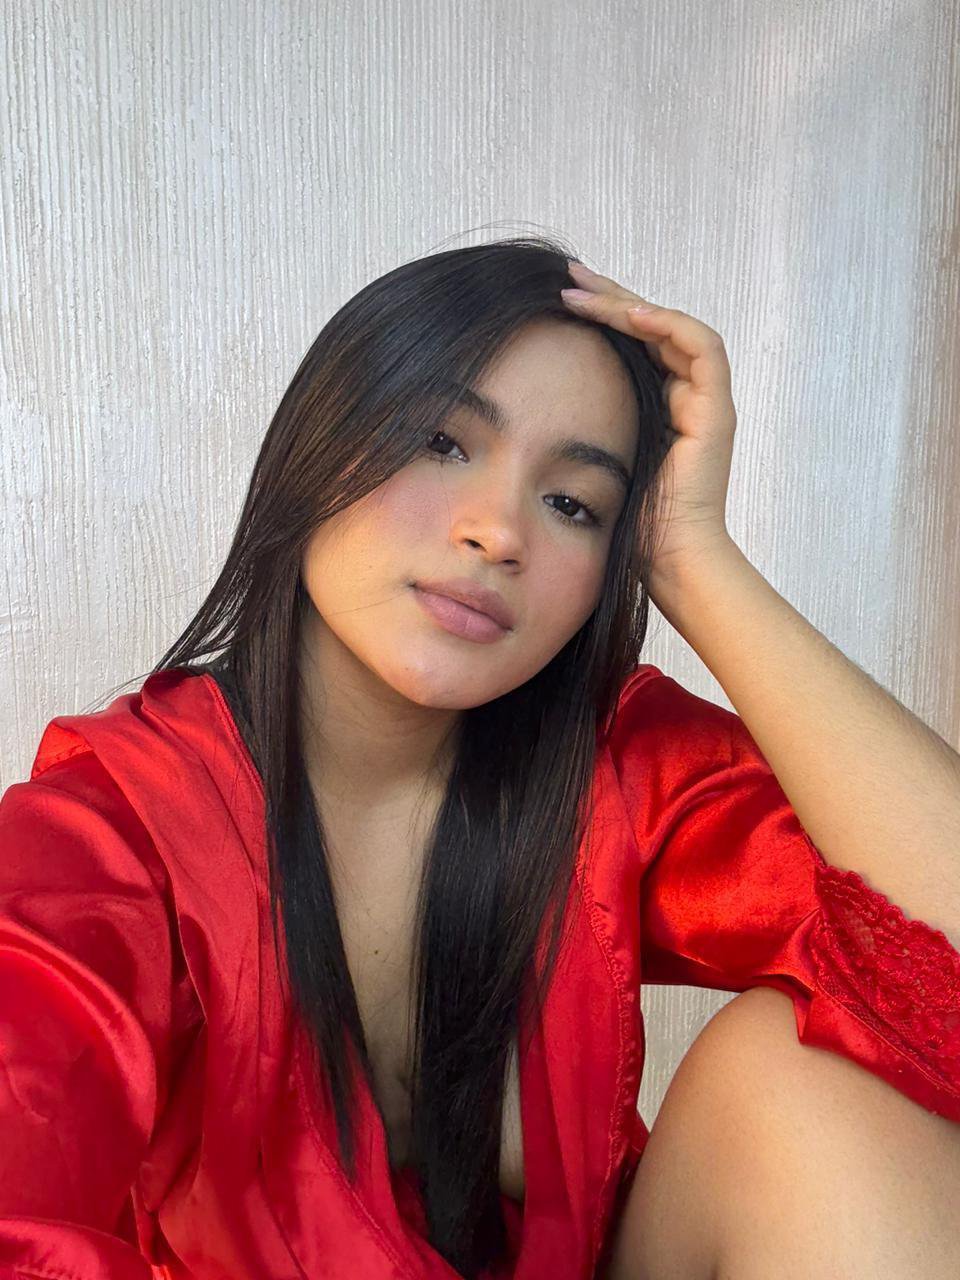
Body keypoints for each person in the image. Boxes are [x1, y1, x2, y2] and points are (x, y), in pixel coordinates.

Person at [2, 237, 958, 1280]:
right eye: (441, 442)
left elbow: (937, 971)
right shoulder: (108, 841)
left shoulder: (611, 768)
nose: (498, 531)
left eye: (573, 504)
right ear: (317, 443)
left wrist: (694, 558)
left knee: (805, 1078)